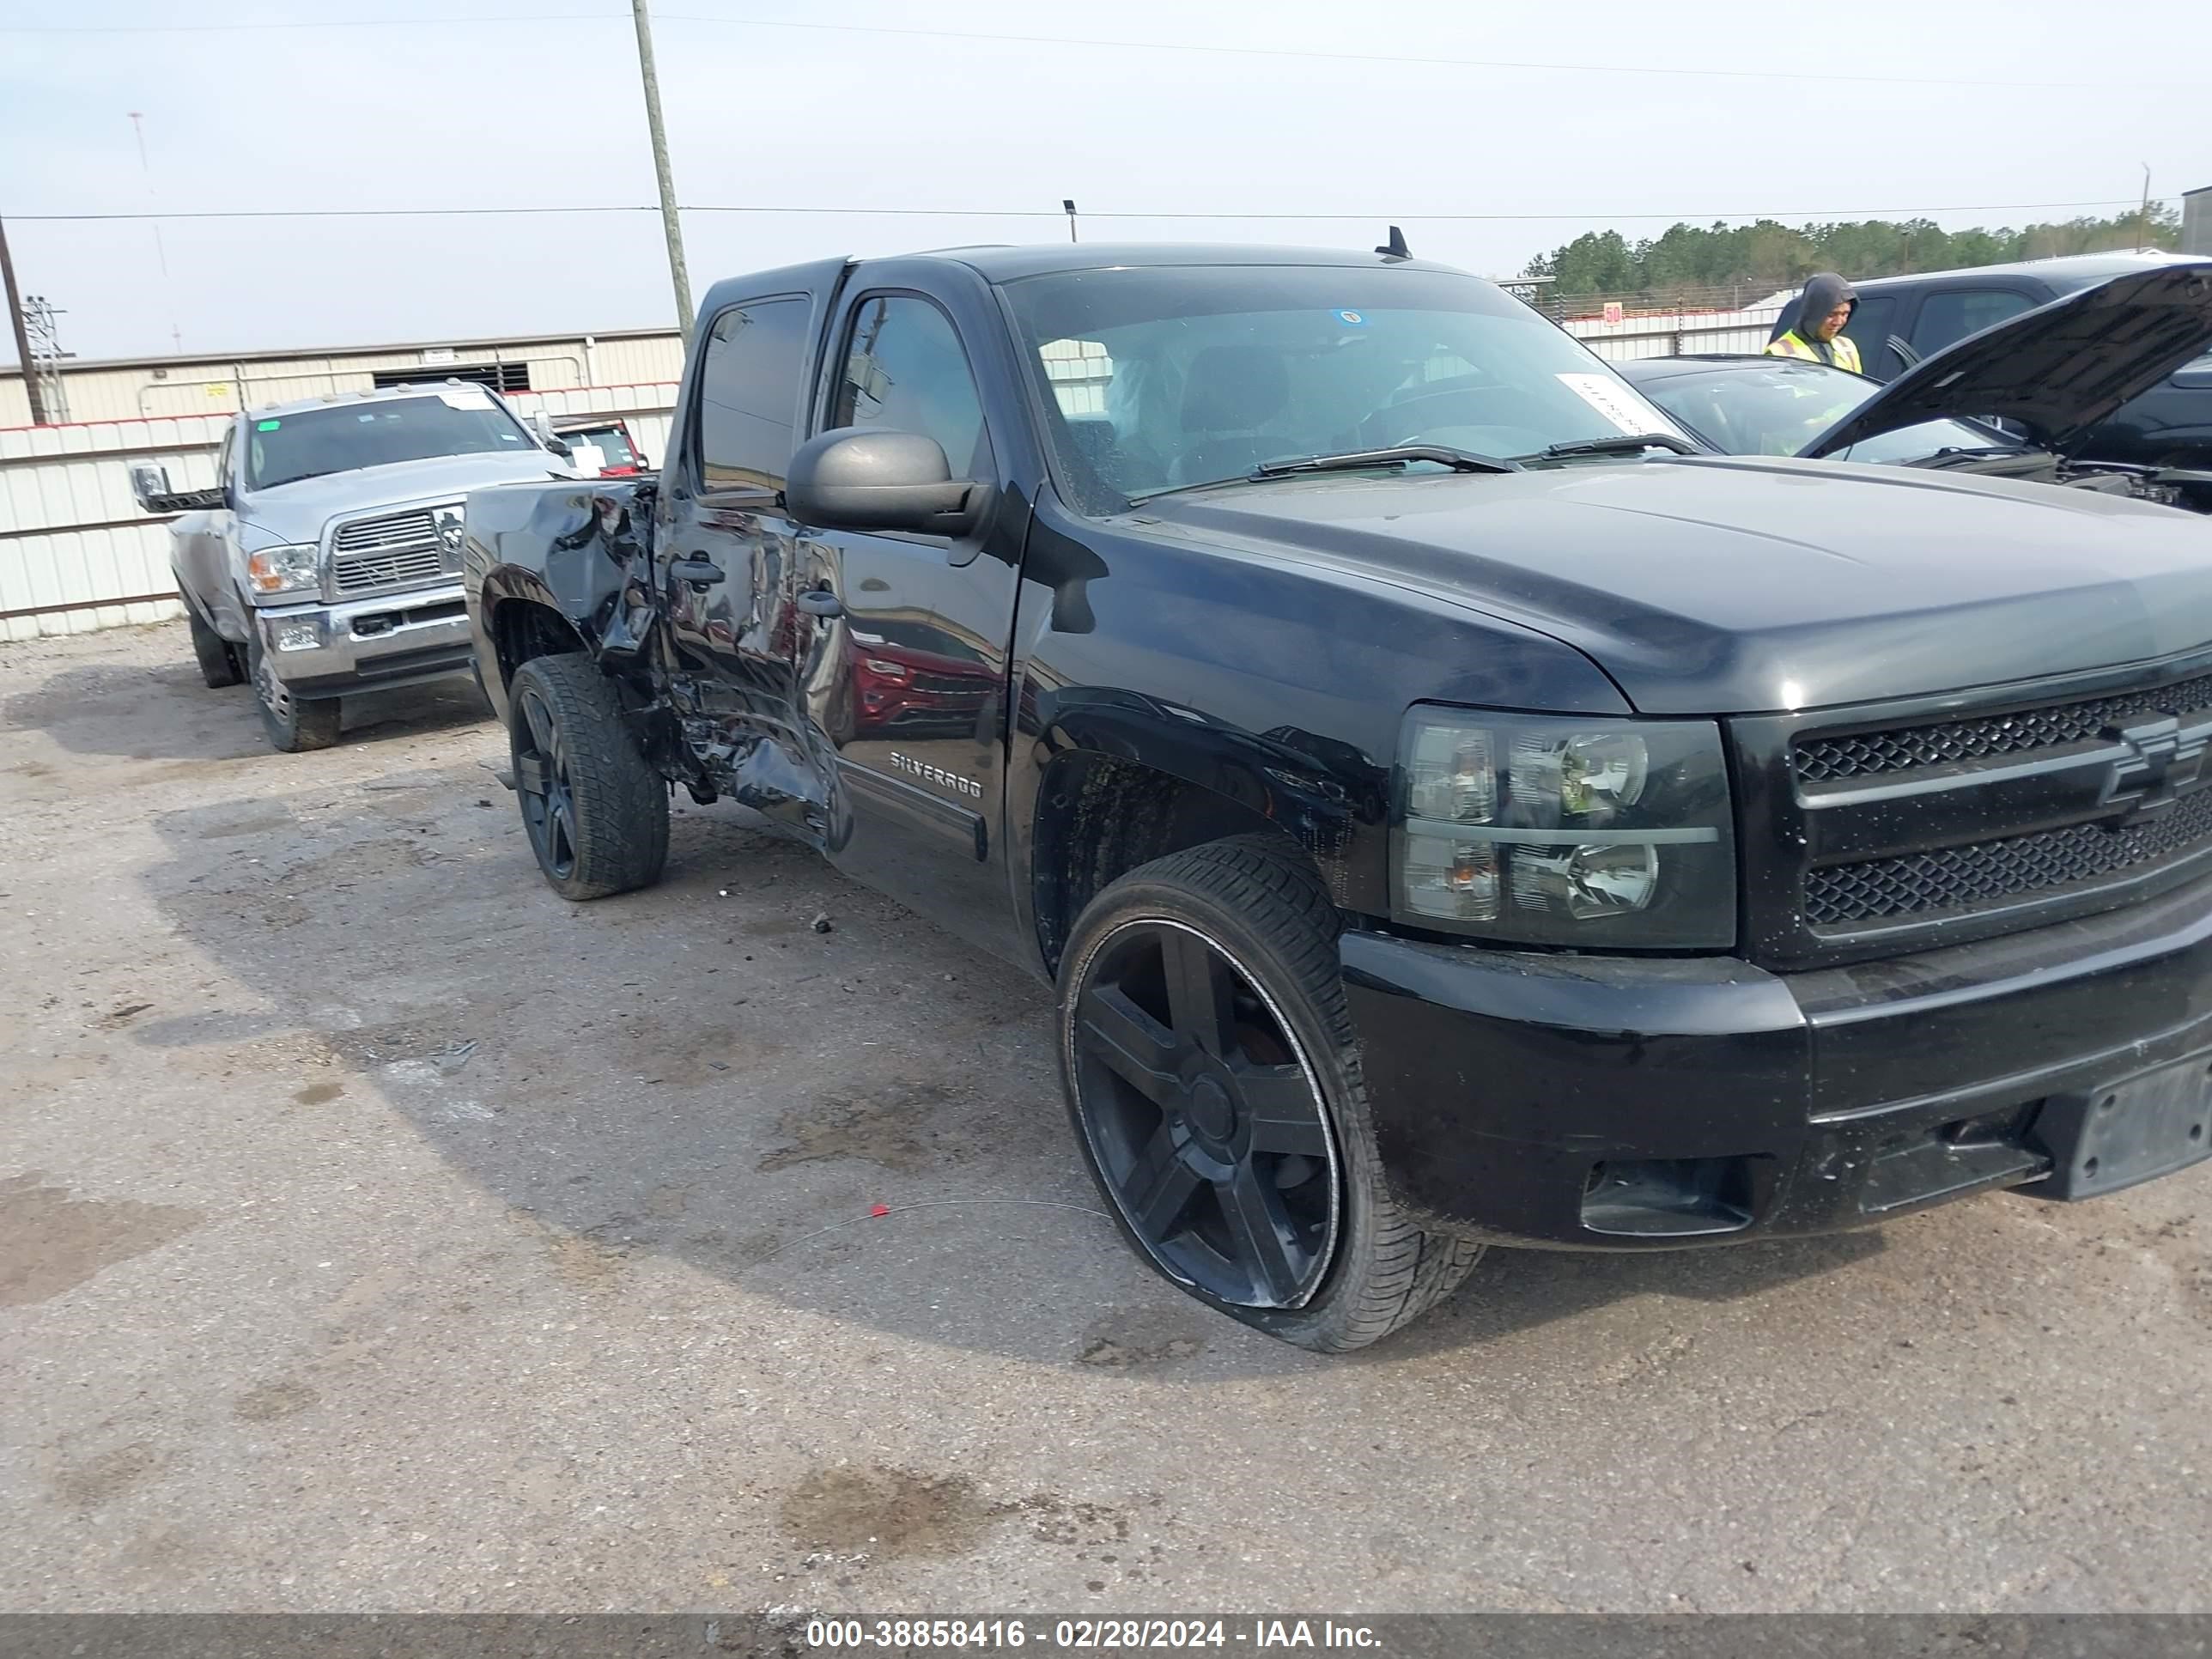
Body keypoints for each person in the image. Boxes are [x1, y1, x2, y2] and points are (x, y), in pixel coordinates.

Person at [1766, 272, 1863, 373]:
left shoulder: (1847, 347)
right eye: (1831, 314)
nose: (1838, 322)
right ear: (1814, 313)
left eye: (1845, 314)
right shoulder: (1780, 352)